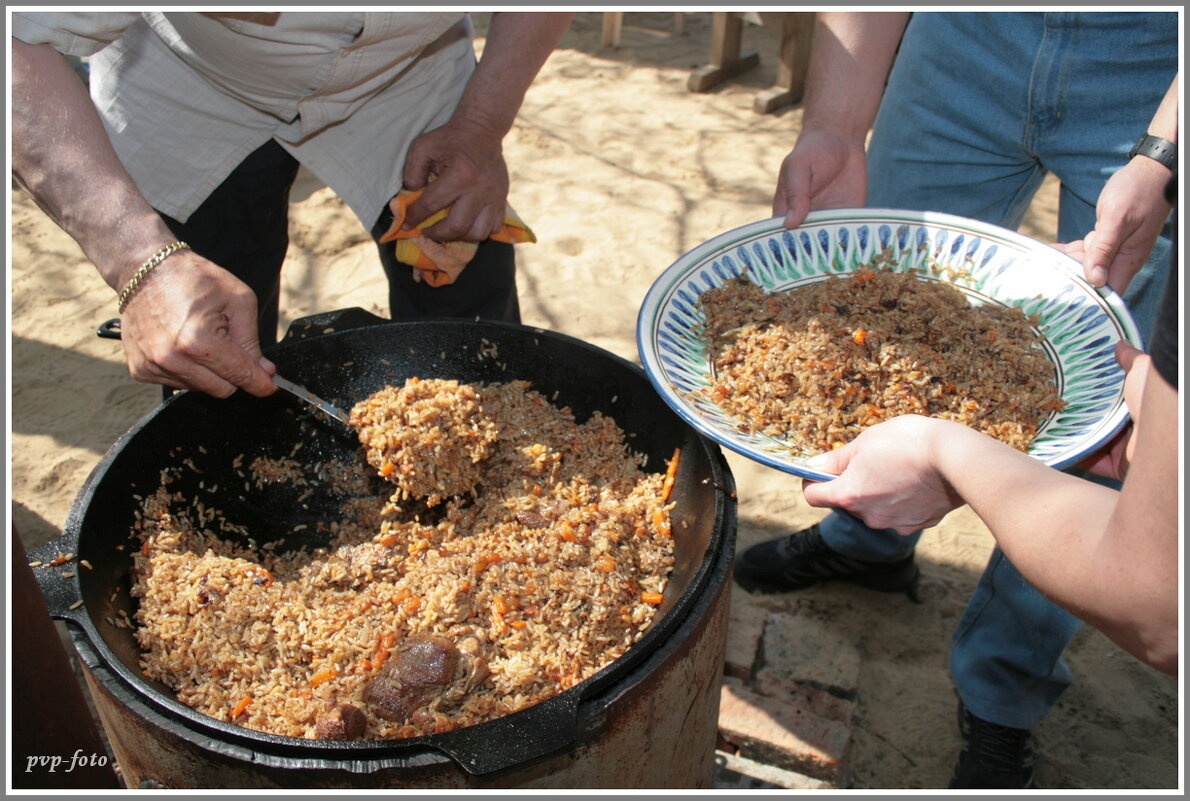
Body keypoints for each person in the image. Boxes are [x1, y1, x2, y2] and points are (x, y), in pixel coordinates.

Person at [736, 11, 1178, 789]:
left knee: (1101, 405)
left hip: (1157, 68)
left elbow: (1161, 603)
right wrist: (835, 123)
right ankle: (865, 542)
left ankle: (1003, 693)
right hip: (966, 33)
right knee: (882, 302)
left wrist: (1164, 152)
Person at [11, 11, 574, 399]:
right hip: (194, 80)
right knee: (212, 325)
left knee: (470, 288)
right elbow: (16, 40)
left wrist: (480, 126)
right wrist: (139, 261)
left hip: (407, 68)